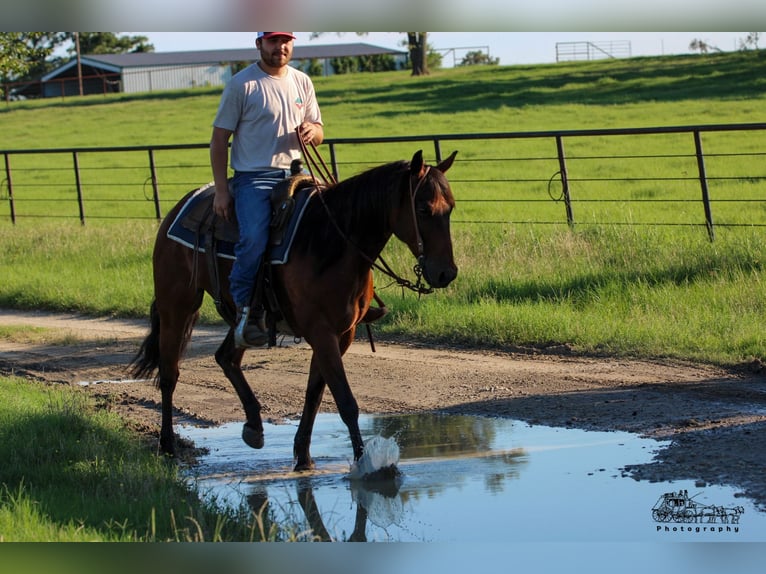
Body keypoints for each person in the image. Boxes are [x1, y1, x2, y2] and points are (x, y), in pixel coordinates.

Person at [210, 32, 324, 348]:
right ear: (259, 44)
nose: (281, 47)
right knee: (254, 239)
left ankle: (335, 298)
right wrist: (222, 190)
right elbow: (219, 140)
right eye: (273, 41)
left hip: (298, 175)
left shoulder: (302, 81)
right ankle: (246, 312)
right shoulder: (242, 85)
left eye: (286, 40)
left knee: (338, 219)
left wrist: (312, 131)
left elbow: (319, 129)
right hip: (254, 178)